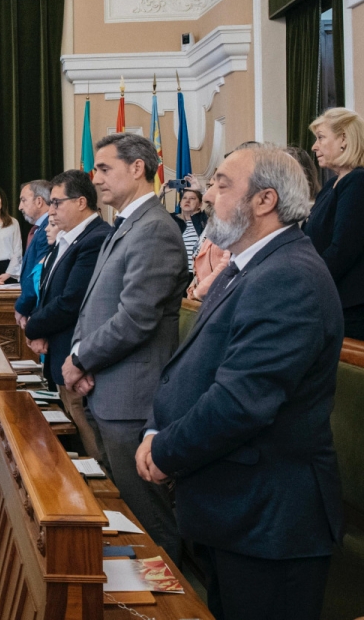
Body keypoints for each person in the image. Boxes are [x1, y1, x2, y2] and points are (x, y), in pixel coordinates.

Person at [137, 145, 343, 620]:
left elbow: (241, 402)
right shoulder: (244, 269)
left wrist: (165, 450)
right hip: (233, 510)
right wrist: (155, 429)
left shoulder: (288, 276)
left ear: (264, 200)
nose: (207, 195)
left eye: (221, 183)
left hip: (269, 521)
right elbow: (190, 369)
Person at [62, 133, 188, 563]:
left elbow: (135, 318)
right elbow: (95, 304)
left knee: (149, 519)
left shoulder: (155, 228)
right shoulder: (128, 225)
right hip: (108, 389)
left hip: (131, 398)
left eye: (103, 168)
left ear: (138, 168)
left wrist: (80, 358)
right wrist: (82, 354)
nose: (95, 178)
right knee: (126, 512)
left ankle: (171, 606)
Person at [24, 170, 111, 460]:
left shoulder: (95, 239)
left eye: (57, 202)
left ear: (81, 202)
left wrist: (33, 327)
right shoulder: (68, 239)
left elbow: (70, 302)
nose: (51, 210)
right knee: (75, 438)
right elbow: (46, 289)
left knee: (91, 445)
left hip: (78, 354)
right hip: (60, 351)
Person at [306, 107, 364, 339]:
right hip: (330, 301)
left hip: (350, 309)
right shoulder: (330, 187)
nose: (314, 146)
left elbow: (343, 249)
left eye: (320, 138)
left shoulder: (358, 182)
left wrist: (305, 285)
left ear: (343, 139)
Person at [15, 180, 52, 323]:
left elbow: (39, 274)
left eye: (23, 200)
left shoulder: (48, 228)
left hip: (41, 311)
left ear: (39, 201)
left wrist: (21, 308)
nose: (19, 207)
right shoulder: (40, 229)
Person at [172, 185, 206, 272]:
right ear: (180, 204)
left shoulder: (205, 220)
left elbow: (218, 207)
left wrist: (202, 190)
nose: (187, 200)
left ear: (200, 204)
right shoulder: (172, 220)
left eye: (192, 198)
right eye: (184, 198)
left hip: (198, 274)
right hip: (178, 275)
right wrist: (160, 194)